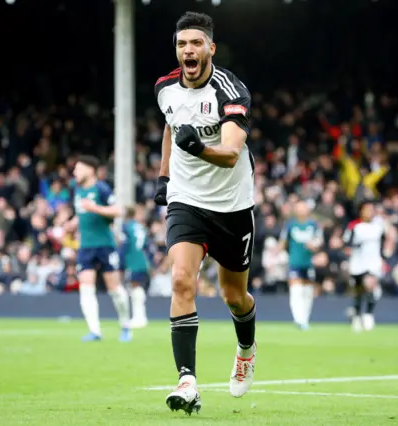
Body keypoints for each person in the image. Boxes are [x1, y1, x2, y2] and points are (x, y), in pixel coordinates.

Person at [153, 11, 257, 415]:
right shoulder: (164, 88)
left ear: (210, 48)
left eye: (196, 43)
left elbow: (231, 155)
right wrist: (164, 176)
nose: (188, 50)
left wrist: (199, 148)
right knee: (181, 280)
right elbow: (170, 126)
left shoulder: (231, 91)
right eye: (182, 44)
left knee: (234, 295)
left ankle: (246, 349)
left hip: (232, 205)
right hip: (187, 200)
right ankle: (187, 381)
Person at [63, 155, 132, 342]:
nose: (75, 172)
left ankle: (125, 325)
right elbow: (82, 213)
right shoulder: (77, 190)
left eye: (78, 168)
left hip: (105, 245)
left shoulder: (101, 188)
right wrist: (73, 223)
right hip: (85, 246)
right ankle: (95, 331)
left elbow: (118, 211)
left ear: (90, 170)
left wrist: (96, 208)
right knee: (86, 287)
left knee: (115, 289)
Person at [280, 200, 323, 330]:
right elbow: (283, 242)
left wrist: (315, 246)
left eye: (303, 208)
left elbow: (319, 241)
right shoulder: (290, 225)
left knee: (308, 292)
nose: (301, 210)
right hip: (295, 262)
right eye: (298, 208)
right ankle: (298, 319)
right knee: (296, 291)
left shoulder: (314, 225)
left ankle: (305, 318)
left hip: (309, 263)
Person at [342, 200, 384, 332]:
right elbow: (347, 244)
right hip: (358, 263)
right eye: (367, 209)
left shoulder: (379, 226)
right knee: (359, 291)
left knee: (370, 286)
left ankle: (369, 315)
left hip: (373, 263)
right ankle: (357, 315)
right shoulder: (355, 227)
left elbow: (385, 241)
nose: (369, 212)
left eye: (372, 209)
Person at [120, 205, 153, 328]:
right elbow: (147, 246)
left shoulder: (127, 227)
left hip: (133, 261)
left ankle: (139, 317)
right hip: (142, 261)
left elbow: (125, 246)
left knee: (135, 288)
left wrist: (121, 262)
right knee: (137, 287)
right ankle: (140, 316)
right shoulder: (141, 227)